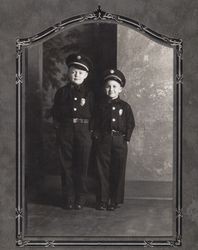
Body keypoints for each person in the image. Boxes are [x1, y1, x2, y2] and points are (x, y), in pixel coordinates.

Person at [52, 54, 94, 210]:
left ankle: (80, 198)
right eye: (74, 71)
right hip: (66, 131)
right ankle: (68, 197)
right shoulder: (62, 93)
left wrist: (90, 133)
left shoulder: (90, 94)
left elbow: (95, 115)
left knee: (82, 165)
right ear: (69, 72)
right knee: (66, 165)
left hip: (84, 132)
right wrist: (59, 129)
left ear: (86, 75)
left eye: (81, 72)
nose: (77, 75)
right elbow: (56, 113)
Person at [94, 69, 135, 211]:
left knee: (117, 170)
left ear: (120, 89)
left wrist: (127, 139)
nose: (111, 89)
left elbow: (131, 123)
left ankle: (114, 200)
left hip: (119, 141)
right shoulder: (100, 106)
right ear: (104, 88)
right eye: (108, 86)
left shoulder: (125, 107)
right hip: (103, 140)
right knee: (102, 170)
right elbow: (94, 123)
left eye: (114, 86)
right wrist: (97, 137)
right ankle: (102, 200)